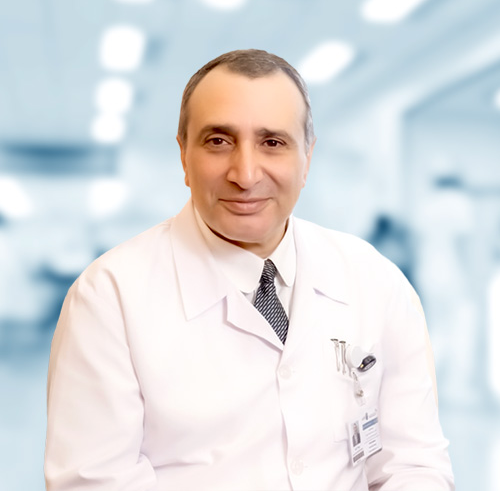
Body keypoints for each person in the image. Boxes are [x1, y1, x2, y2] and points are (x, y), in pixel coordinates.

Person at [44, 49, 455, 491]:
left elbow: (414, 464)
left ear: (307, 157)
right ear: (183, 155)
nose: (245, 174)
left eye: (272, 143)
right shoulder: (108, 298)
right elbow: (96, 483)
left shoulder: (375, 281)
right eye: (218, 141)